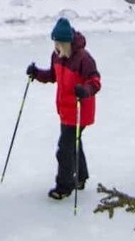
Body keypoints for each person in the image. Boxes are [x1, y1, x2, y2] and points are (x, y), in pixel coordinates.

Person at [26, 17, 102, 199]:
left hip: (79, 111)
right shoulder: (56, 56)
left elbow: (95, 82)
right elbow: (53, 76)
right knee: (74, 143)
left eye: (59, 43)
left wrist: (84, 90)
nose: (56, 47)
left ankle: (64, 186)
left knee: (64, 149)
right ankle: (81, 177)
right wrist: (36, 74)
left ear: (67, 43)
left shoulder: (84, 59)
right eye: (55, 42)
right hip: (65, 110)